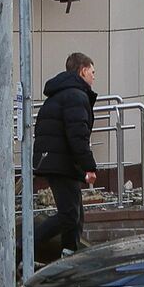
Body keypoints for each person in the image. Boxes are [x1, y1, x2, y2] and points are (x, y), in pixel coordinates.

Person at [32, 52, 98, 259]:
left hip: (56, 159)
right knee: (70, 215)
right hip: (62, 162)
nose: (94, 77)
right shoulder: (76, 96)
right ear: (83, 70)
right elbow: (78, 135)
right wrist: (89, 166)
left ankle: (70, 255)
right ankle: (24, 243)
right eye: (93, 72)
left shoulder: (60, 94)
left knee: (75, 215)